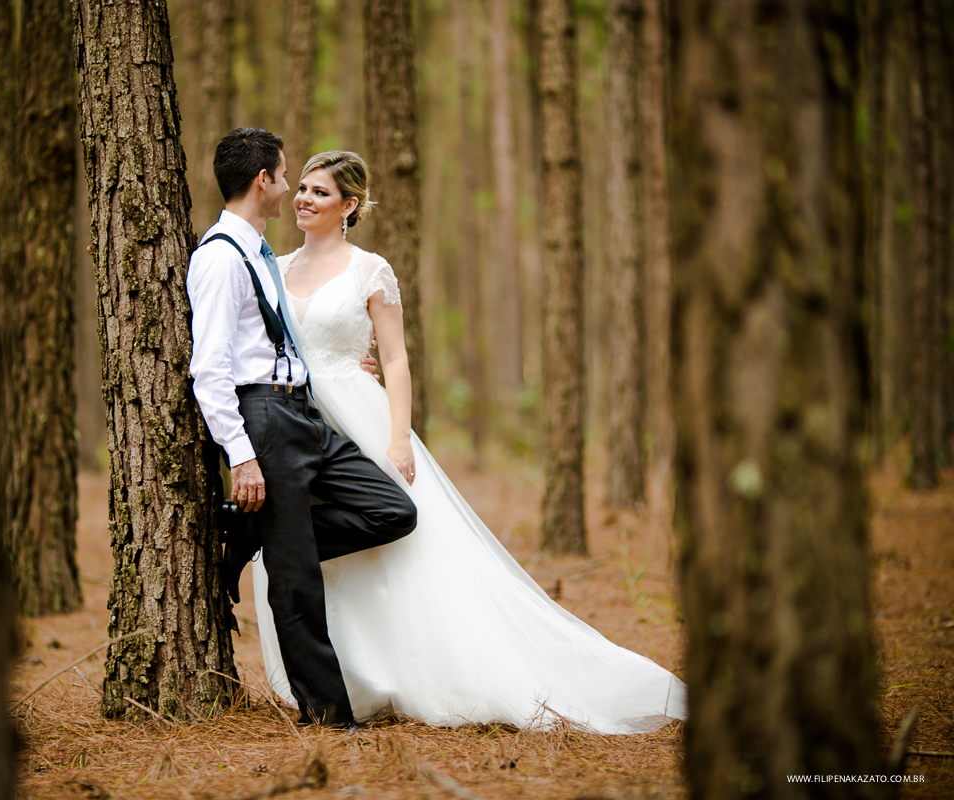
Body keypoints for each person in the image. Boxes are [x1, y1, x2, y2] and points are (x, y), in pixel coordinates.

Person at [250, 150, 688, 735]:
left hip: (360, 414)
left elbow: (397, 358)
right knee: (309, 544)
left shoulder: (370, 270)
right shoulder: (272, 267)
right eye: (300, 188)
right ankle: (349, 675)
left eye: (320, 192)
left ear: (349, 205)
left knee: (397, 534)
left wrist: (398, 437)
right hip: (294, 419)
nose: (303, 199)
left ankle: (409, 670)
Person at [187, 130, 418, 729]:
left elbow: (290, 338)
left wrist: (349, 362)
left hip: (305, 414)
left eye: (315, 187)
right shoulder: (221, 257)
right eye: (289, 178)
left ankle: (255, 534)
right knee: (296, 584)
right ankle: (331, 718)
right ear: (263, 179)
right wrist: (240, 455)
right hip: (265, 417)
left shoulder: (262, 254)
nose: (294, 191)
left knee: (393, 509)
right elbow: (210, 370)